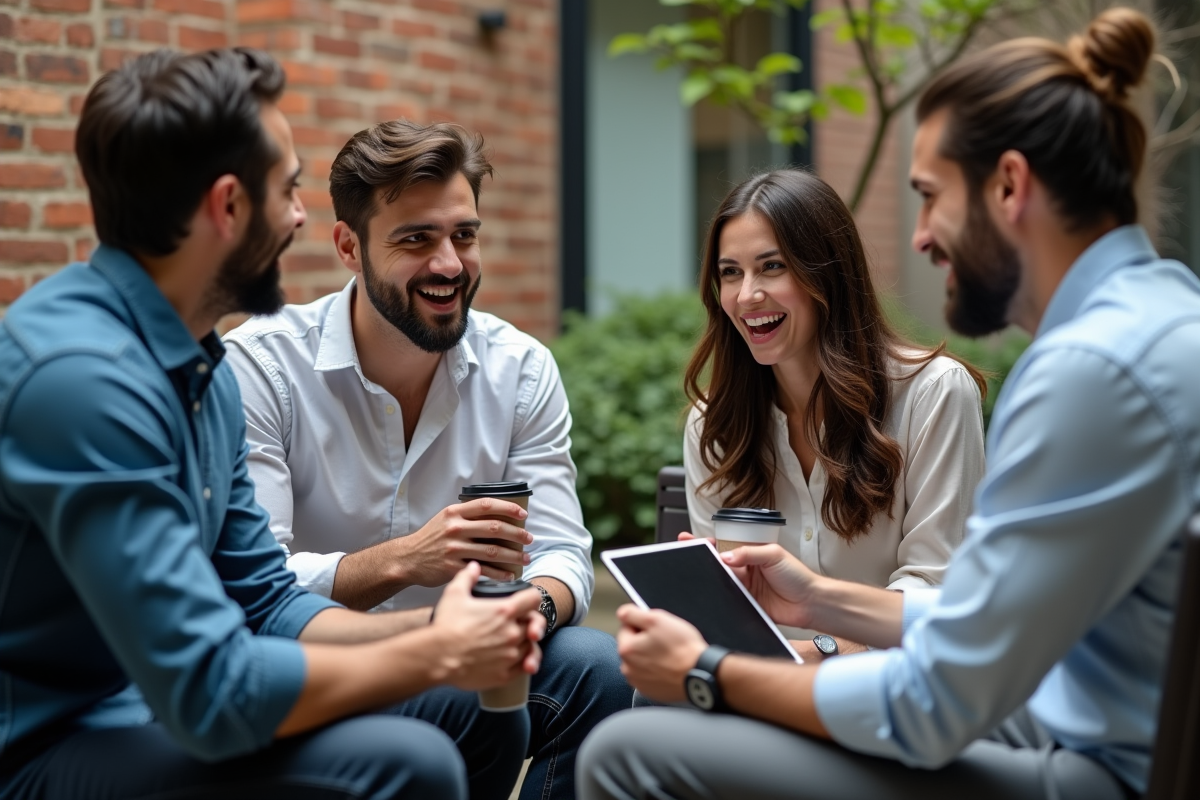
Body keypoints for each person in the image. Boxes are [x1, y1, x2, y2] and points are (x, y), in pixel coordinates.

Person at [579, 7, 1200, 799]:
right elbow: (987, 629)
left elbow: (935, 702)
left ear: (1009, 185)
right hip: (1076, 716)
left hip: (1089, 766)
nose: (920, 238)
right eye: (730, 275)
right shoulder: (1167, 315)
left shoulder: (1088, 371)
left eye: (929, 196)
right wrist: (822, 599)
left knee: (627, 751)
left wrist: (712, 675)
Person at [0, 48, 546, 800]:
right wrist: (436, 653)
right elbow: (211, 696)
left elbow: (267, 602)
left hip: (156, 708)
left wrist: (448, 631)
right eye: (287, 189)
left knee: (479, 716)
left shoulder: (200, 364)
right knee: (405, 763)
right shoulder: (82, 382)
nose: (298, 216)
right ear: (228, 206)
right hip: (47, 743)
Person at [223, 118, 631, 800]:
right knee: (475, 703)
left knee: (601, 669)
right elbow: (253, 582)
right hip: (315, 669)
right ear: (349, 247)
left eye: (463, 236)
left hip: (469, 656)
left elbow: (563, 554)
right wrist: (406, 560)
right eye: (416, 239)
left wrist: (520, 611)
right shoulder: (262, 367)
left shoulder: (521, 370)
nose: (448, 264)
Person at [681, 168, 987, 655]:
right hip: (757, 691)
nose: (746, 295)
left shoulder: (935, 394)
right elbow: (727, 615)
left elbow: (936, 594)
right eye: (730, 272)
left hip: (891, 693)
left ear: (827, 273)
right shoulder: (713, 424)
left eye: (773, 266)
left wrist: (811, 655)